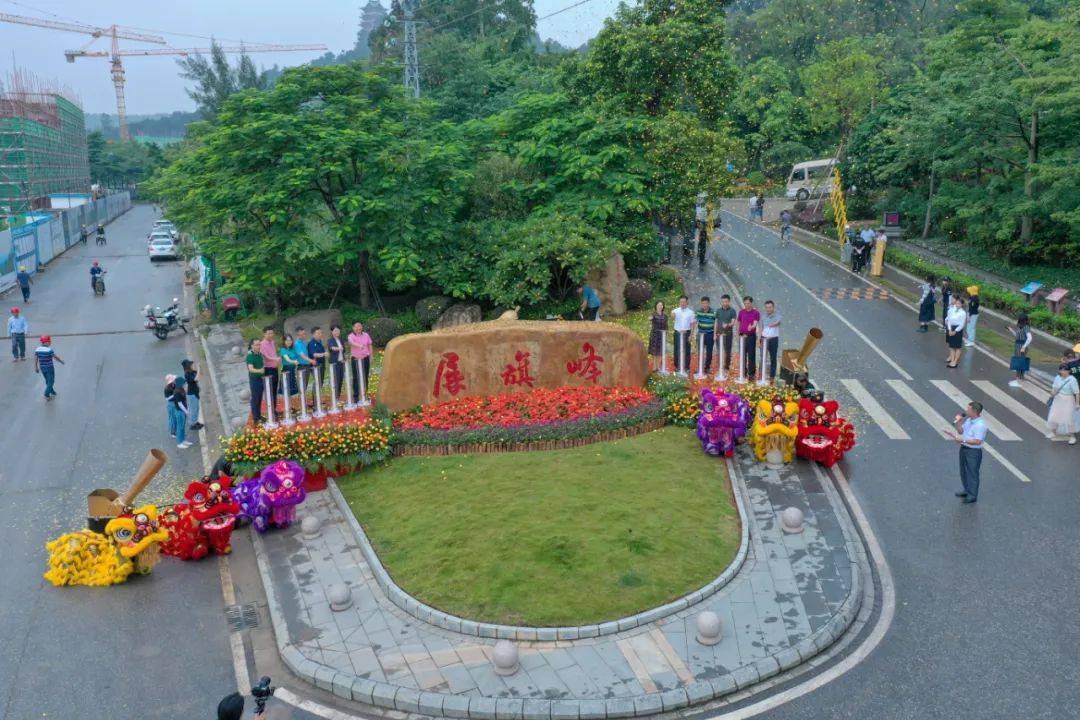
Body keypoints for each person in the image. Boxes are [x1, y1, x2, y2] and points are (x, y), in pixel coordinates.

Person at [950, 401, 987, 504]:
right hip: (964, 448)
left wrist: (963, 440)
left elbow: (977, 441)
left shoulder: (980, 425)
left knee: (972, 473)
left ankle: (972, 495)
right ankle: (967, 489)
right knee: (964, 471)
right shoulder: (969, 420)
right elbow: (961, 431)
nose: (966, 411)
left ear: (974, 411)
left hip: (973, 451)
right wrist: (958, 422)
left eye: (968, 409)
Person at [1045, 364, 1079, 445]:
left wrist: (1077, 404)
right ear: (1059, 370)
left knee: (1069, 418)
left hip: (1068, 400)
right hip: (1058, 399)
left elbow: (1077, 393)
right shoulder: (1057, 378)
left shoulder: (1072, 379)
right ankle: (1053, 432)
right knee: (1054, 415)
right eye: (1061, 370)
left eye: (1065, 370)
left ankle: (1072, 436)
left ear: (1069, 371)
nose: (1063, 372)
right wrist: (1052, 394)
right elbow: (1054, 387)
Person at [33, 335, 63, 400]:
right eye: (49, 341)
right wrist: (61, 361)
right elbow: (55, 357)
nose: (50, 343)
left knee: (47, 380)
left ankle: (52, 391)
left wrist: (36, 367)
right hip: (49, 368)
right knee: (51, 381)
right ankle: (46, 394)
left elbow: (36, 358)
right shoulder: (49, 350)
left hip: (42, 367)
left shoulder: (37, 349)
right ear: (46, 342)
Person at [671, 295, 696, 375]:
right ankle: (678, 366)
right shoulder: (675, 311)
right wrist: (672, 315)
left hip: (686, 333)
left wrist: (691, 335)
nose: (682, 303)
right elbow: (672, 316)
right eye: (681, 302)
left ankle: (686, 367)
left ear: (687, 302)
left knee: (687, 350)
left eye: (684, 302)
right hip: (677, 333)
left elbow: (692, 324)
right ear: (679, 302)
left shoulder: (691, 312)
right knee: (677, 349)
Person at [347, 322, 372, 400]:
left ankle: (365, 394)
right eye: (356, 326)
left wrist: (371, 356)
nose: (358, 328)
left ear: (362, 327)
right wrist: (359, 346)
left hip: (365, 358)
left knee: (365, 376)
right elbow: (351, 342)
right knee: (356, 377)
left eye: (360, 326)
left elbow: (369, 344)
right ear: (353, 328)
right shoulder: (351, 336)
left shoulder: (366, 335)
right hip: (356, 359)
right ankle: (356, 396)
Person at [737, 296, 760, 378]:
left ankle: (751, 374)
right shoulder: (741, 312)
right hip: (742, 336)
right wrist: (738, 332)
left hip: (751, 337)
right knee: (742, 354)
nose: (747, 305)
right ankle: (743, 372)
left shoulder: (756, 313)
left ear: (751, 303)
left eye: (748, 303)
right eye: (745, 303)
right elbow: (739, 322)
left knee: (751, 355)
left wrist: (752, 327)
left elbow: (755, 323)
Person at [715, 294, 737, 376]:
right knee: (719, 351)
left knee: (727, 351)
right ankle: (720, 368)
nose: (724, 303)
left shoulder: (732, 311)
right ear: (721, 302)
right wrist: (714, 333)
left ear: (729, 301)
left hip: (728, 334)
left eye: (726, 301)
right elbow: (716, 322)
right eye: (723, 301)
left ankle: (726, 367)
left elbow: (733, 322)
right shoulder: (718, 311)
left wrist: (727, 325)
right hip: (719, 335)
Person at [1007, 314, 1032, 388]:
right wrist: (1011, 330)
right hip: (1018, 345)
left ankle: (1019, 378)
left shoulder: (1026, 327)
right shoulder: (1020, 327)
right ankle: (1019, 377)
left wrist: (1024, 347)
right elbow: (1017, 336)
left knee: (1020, 362)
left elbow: (1030, 338)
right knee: (1019, 361)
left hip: (1021, 346)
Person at [944, 295, 968, 369]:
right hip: (951, 328)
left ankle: (955, 361)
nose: (957, 305)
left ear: (962, 305)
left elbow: (962, 324)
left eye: (959, 304)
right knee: (951, 346)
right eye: (956, 303)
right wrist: (950, 329)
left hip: (958, 330)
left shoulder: (963, 313)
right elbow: (949, 320)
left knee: (957, 347)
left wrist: (955, 331)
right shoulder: (952, 310)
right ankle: (952, 359)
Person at [760, 300, 781, 381]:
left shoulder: (777, 316)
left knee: (773, 358)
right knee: (763, 357)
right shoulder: (763, 316)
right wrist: (759, 339)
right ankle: (761, 375)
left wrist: (771, 323)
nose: (768, 309)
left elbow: (777, 323)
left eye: (770, 307)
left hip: (773, 339)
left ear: (773, 307)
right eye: (767, 307)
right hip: (764, 338)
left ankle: (772, 376)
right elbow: (761, 327)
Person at [245, 339, 265, 424]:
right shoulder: (250, 356)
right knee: (255, 399)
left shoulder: (260, 354)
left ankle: (259, 415)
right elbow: (250, 369)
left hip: (261, 379)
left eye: (259, 344)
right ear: (252, 346)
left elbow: (262, 364)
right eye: (256, 345)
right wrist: (259, 370)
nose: (258, 346)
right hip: (254, 380)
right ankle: (256, 418)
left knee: (260, 398)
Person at [169, 376, 191, 448]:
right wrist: (186, 411)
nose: (185, 384)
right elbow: (179, 403)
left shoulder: (181, 389)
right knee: (180, 427)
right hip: (180, 412)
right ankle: (179, 443)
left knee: (182, 427)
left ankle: (183, 440)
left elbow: (184, 399)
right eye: (183, 383)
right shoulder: (177, 392)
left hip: (183, 411)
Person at [181, 359, 203, 430]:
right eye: (191, 364)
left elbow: (199, 375)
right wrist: (199, 368)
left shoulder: (192, 372)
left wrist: (199, 369)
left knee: (196, 408)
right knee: (193, 409)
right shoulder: (187, 374)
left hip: (195, 392)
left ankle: (195, 422)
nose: (192, 365)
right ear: (188, 366)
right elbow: (196, 379)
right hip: (192, 394)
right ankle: (192, 424)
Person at [695, 296, 715, 373]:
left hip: (710, 334)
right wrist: (694, 334)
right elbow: (695, 322)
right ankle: (700, 367)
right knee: (700, 351)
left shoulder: (713, 312)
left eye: (706, 303)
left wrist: (714, 335)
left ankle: (707, 367)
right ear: (701, 303)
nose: (704, 305)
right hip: (700, 334)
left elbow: (716, 323)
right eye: (703, 303)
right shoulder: (698, 311)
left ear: (709, 303)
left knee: (709, 352)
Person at [259, 326, 279, 399]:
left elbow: (274, 353)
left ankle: (274, 409)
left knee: (274, 389)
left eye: (272, 333)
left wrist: (277, 360)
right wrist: (276, 359)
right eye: (269, 333)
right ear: (264, 334)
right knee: (269, 390)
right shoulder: (262, 344)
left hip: (275, 368)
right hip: (268, 369)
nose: (271, 335)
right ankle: (270, 408)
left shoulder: (272, 342)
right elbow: (266, 357)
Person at [294, 326, 313, 398]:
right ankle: (301, 403)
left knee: (305, 385)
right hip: (301, 367)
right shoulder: (297, 344)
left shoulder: (304, 342)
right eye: (301, 334)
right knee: (301, 386)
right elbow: (302, 355)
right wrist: (311, 360)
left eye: (304, 334)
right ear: (297, 335)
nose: (303, 336)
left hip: (307, 366)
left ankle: (303, 402)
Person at [647, 301, 667, 371]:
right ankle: (654, 366)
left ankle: (658, 366)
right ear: (656, 306)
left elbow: (666, 326)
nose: (660, 306)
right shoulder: (653, 314)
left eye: (661, 305)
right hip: (655, 335)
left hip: (662, 336)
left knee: (660, 351)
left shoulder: (665, 315)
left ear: (663, 306)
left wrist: (666, 333)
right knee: (654, 352)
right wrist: (650, 318)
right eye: (659, 305)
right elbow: (650, 318)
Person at [279, 334, 300, 399]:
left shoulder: (293, 349)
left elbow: (297, 357)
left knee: (294, 388)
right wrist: (293, 361)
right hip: (286, 370)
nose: (289, 342)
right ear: (284, 341)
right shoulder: (283, 349)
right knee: (286, 388)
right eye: (287, 340)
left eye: (290, 340)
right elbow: (287, 359)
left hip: (293, 370)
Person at [327, 325, 345, 400]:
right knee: (336, 379)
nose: (337, 332)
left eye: (338, 330)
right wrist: (339, 348)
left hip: (341, 362)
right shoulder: (330, 340)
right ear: (332, 332)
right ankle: (334, 397)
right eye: (335, 331)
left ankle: (338, 396)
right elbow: (332, 348)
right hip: (335, 363)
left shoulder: (341, 340)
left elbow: (344, 350)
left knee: (341, 379)